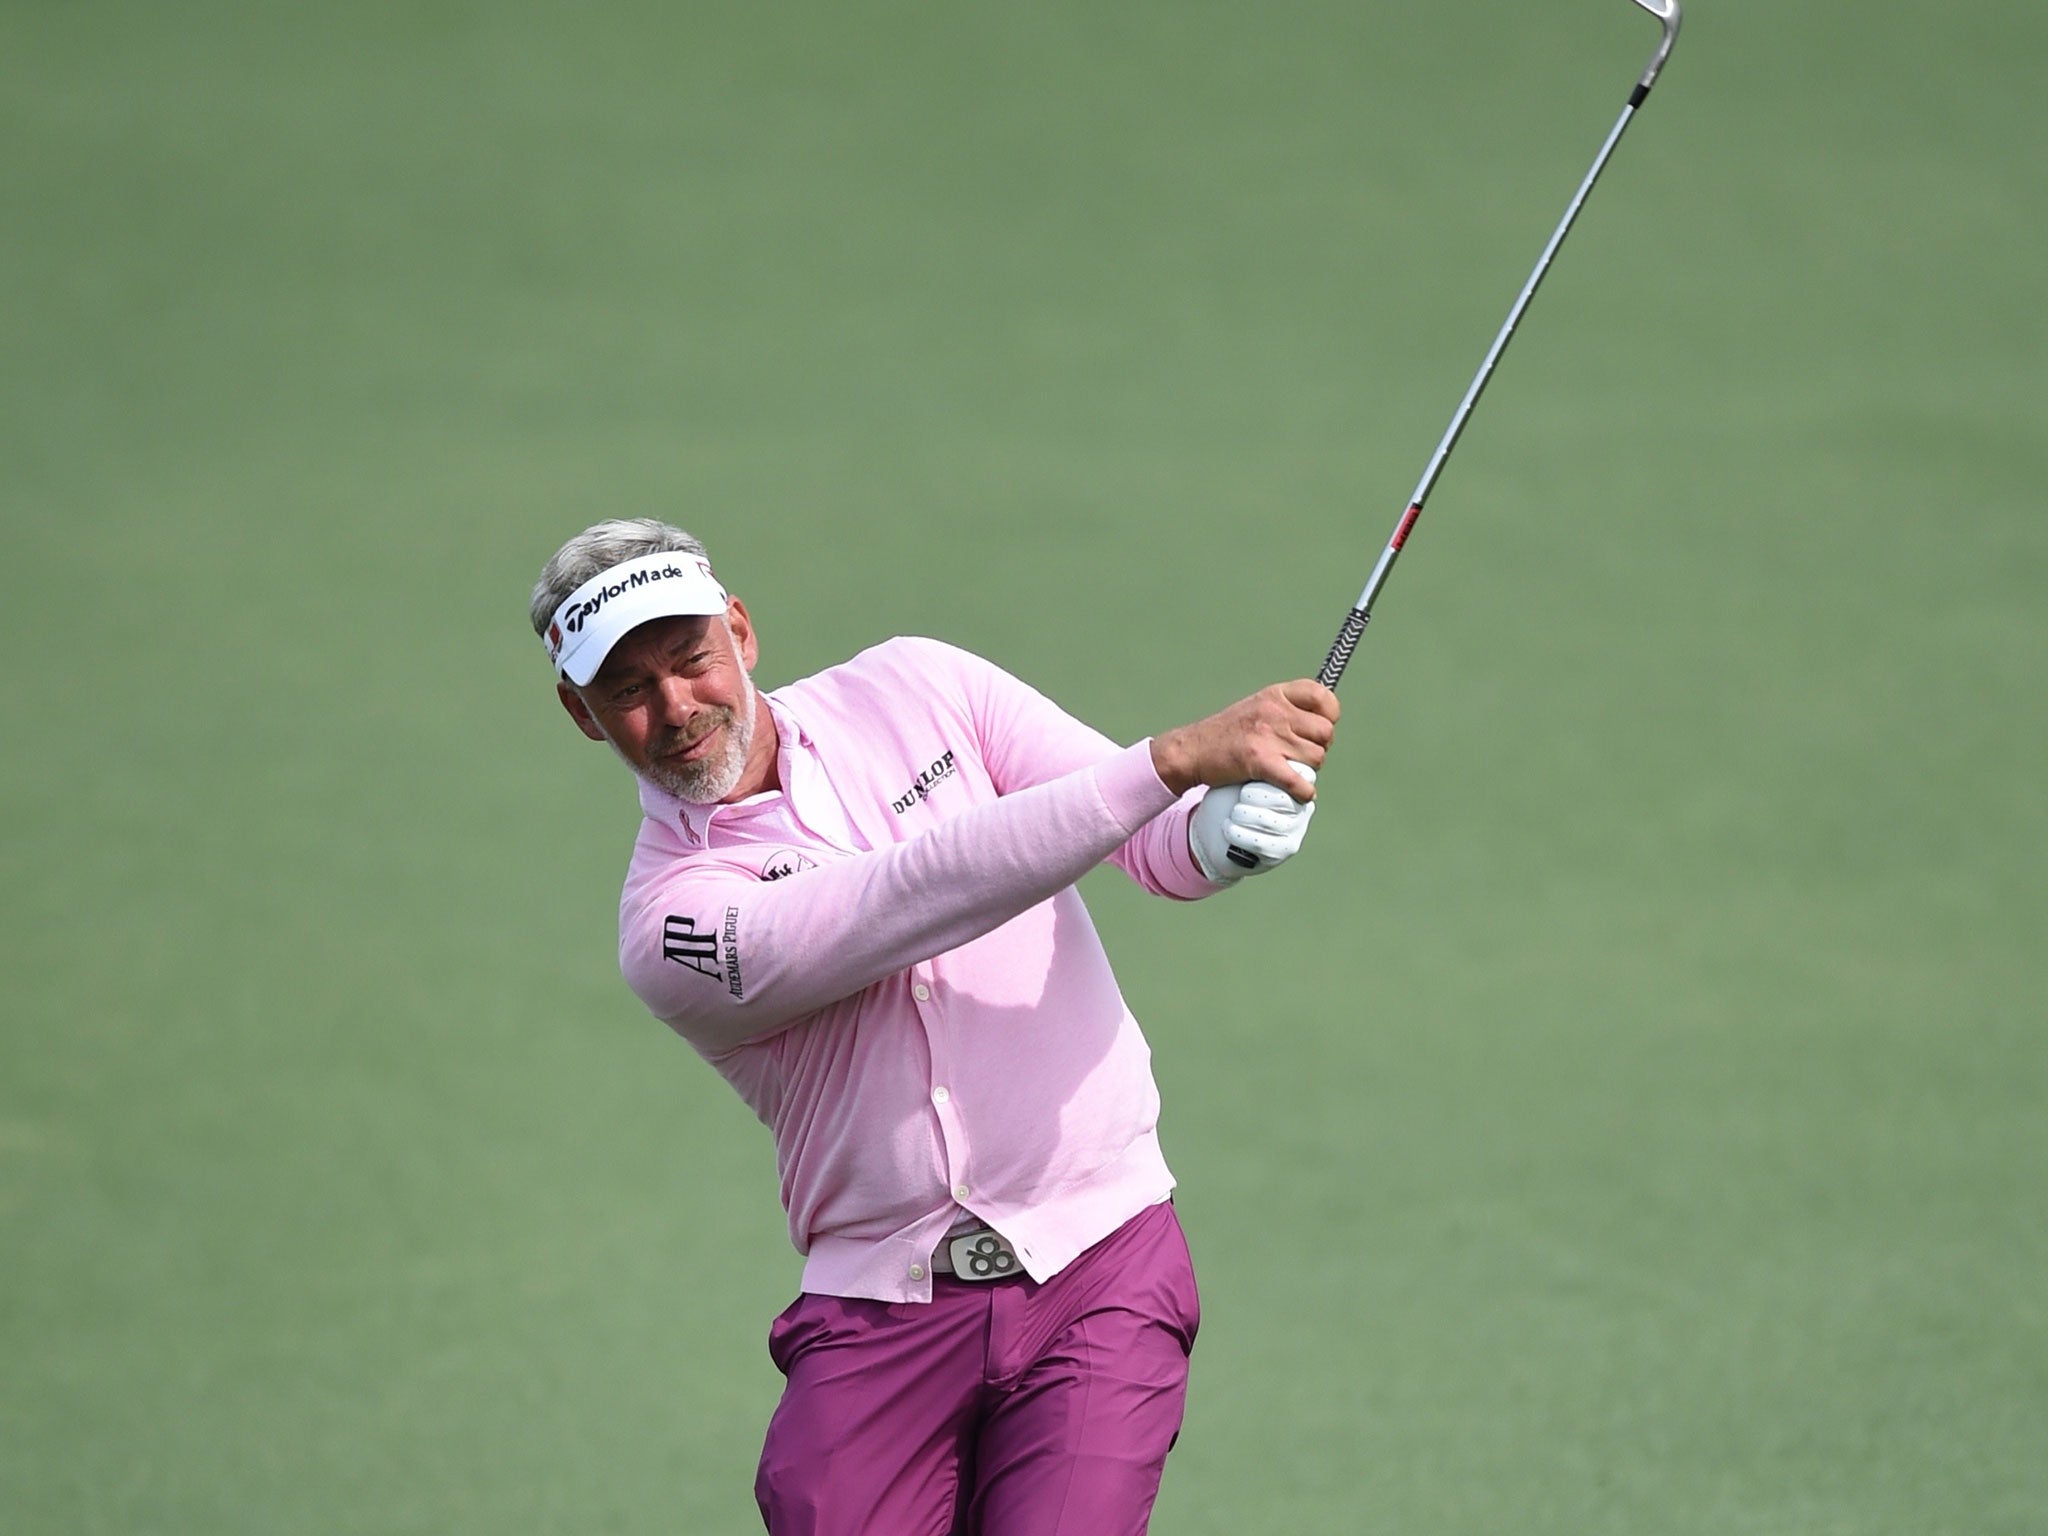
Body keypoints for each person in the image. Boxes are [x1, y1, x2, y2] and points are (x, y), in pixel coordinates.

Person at [530, 518, 1340, 1536]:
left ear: (739, 631)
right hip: (881, 1313)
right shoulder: (672, 924)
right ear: (581, 714)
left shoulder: (921, 685)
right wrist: (1171, 760)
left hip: (1099, 1259)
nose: (676, 707)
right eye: (627, 691)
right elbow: (902, 900)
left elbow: (1155, 847)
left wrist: (1223, 832)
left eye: (690, 660)